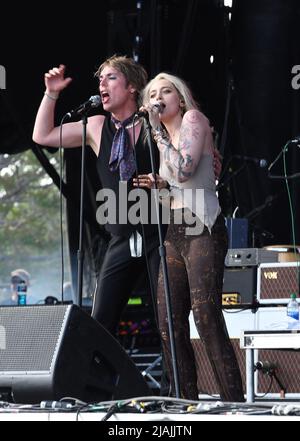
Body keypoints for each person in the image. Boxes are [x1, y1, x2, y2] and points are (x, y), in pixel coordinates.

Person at [32, 55, 168, 337]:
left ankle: (178, 382)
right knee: (100, 323)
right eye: (100, 79)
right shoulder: (96, 126)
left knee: (168, 322)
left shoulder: (156, 123)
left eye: (111, 77)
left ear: (132, 87)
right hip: (120, 237)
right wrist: (51, 93)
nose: (102, 84)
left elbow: (189, 160)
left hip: (160, 234)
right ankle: (96, 381)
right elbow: (43, 135)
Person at [139, 72, 244, 402]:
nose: (158, 97)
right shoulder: (163, 136)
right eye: (152, 93)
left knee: (206, 315)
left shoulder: (192, 119)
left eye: (166, 91)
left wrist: (156, 130)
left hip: (203, 226)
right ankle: (184, 401)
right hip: (176, 230)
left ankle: (233, 402)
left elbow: (184, 171)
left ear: (179, 98)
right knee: (168, 319)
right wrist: (158, 186)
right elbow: (174, 188)